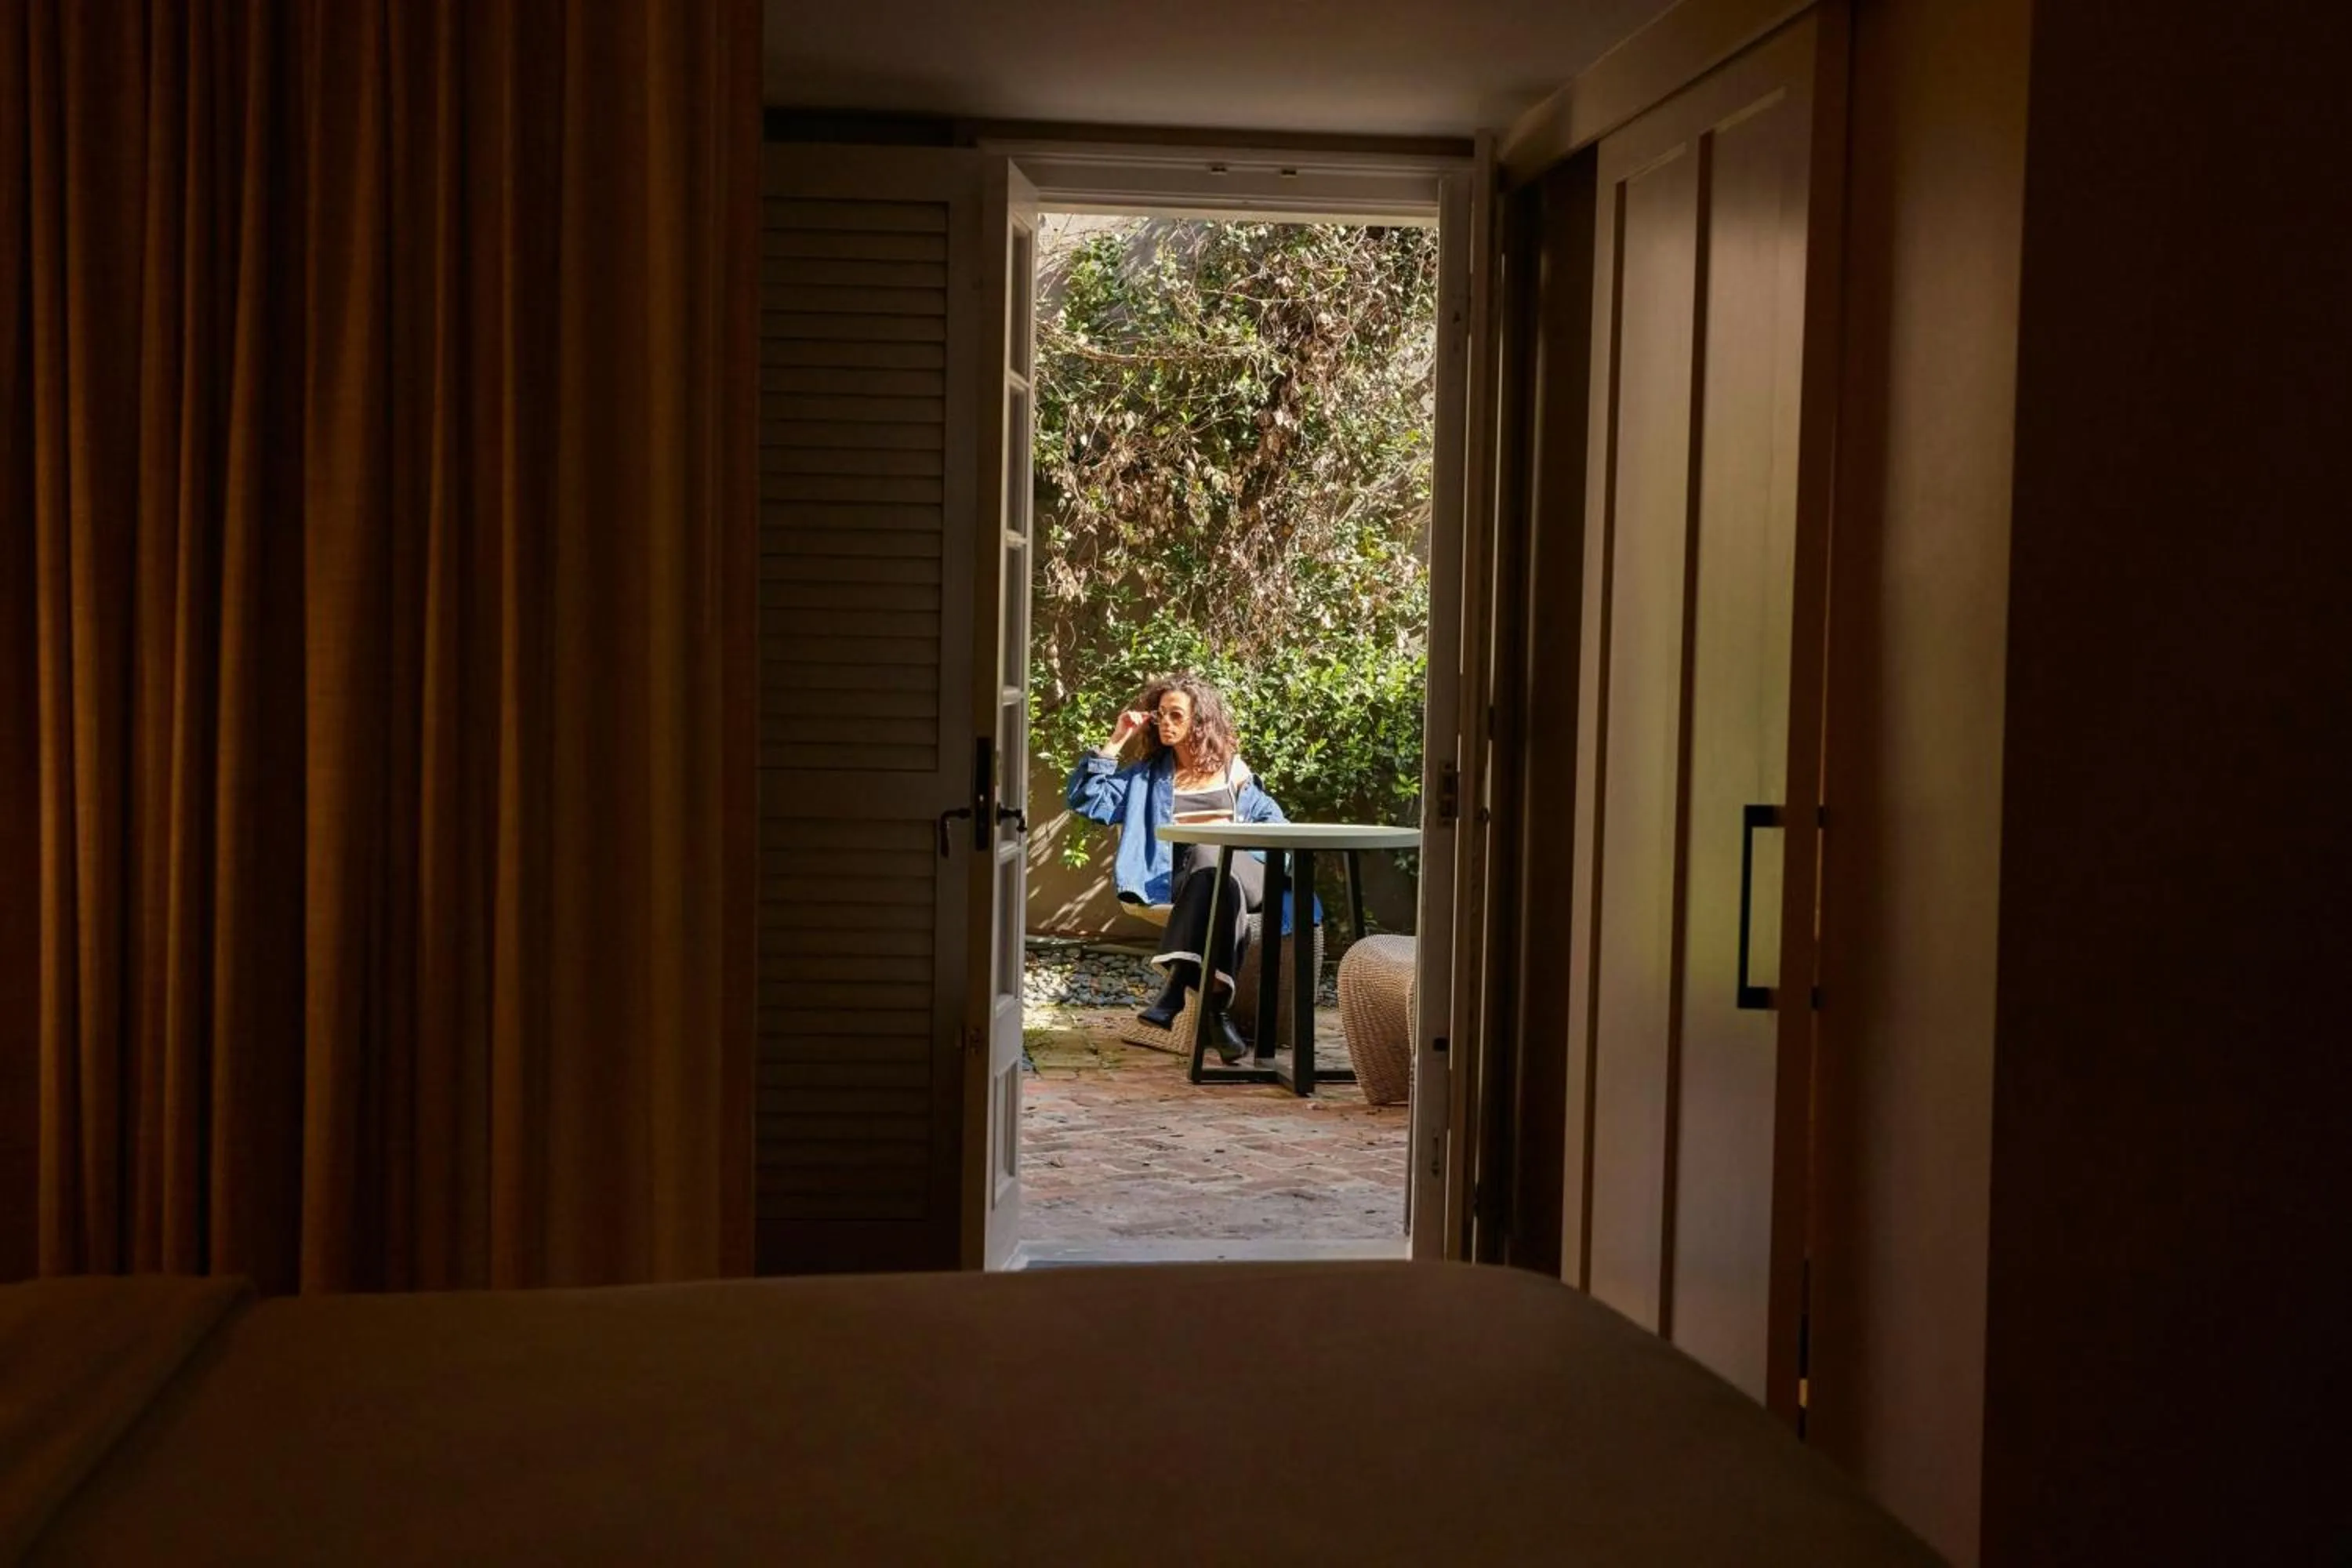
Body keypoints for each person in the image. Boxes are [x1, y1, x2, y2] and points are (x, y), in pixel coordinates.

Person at [1064, 673, 1302, 1062]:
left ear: (1200, 722)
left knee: (1214, 852)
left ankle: (1174, 990)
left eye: (1177, 715)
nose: (1167, 724)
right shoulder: (1145, 778)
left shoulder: (1234, 776)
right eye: (1161, 716)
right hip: (1186, 882)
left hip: (1252, 871)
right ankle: (1215, 1011)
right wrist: (1116, 739)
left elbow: (1280, 835)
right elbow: (1088, 800)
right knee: (1213, 876)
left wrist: (1229, 841)